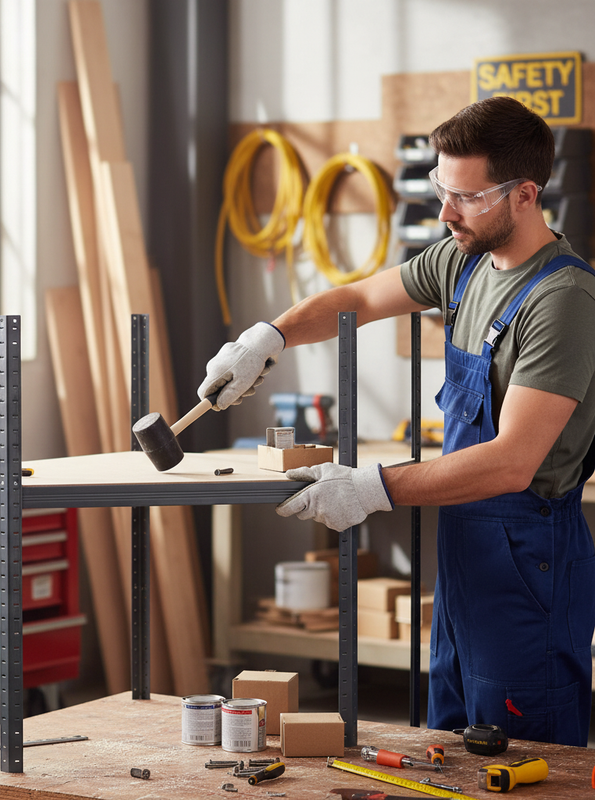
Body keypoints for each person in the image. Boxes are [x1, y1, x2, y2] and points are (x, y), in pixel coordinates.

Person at [198, 96, 595, 747]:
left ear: (525, 195)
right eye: (443, 189)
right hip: (466, 560)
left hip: (530, 566)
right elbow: (357, 299)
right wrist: (269, 336)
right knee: (447, 751)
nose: (444, 213)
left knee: (525, 760)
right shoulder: (462, 262)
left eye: (466, 197)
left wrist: (373, 487)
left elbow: (512, 460)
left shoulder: (563, 300)